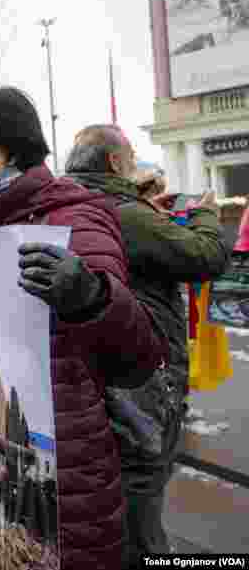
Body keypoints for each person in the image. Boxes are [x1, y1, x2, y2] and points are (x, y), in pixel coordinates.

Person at [0, 87, 168, 570]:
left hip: (67, 472)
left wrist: (90, 296)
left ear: (12, 148)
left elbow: (138, 356)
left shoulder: (72, 219)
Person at [64, 124, 229, 567]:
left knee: (114, 474)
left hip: (90, 365)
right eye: (132, 157)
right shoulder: (124, 213)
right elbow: (205, 257)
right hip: (141, 366)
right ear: (117, 162)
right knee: (143, 474)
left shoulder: (72, 205)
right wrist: (206, 214)